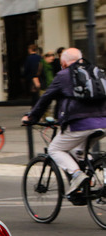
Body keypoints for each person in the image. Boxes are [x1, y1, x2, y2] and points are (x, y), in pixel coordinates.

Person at [22, 48, 106, 195]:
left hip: (80, 124)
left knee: (55, 149)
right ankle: (90, 178)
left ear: (64, 63)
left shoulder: (63, 75)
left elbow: (45, 99)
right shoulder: (96, 71)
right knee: (78, 150)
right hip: (103, 123)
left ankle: (77, 175)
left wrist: (31, 117)